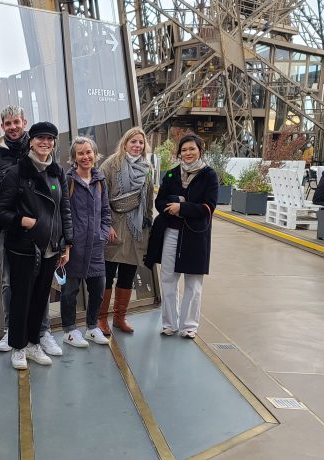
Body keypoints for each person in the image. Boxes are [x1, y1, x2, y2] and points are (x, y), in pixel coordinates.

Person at [0, 122, 73, 370]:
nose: (45, 143)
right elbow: (0, 212)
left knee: (40, 298)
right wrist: (22, 221)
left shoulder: (57, 172)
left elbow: (64, 210)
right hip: (24, 247)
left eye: (50, 139)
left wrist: (67, 243)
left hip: (50, 247)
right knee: (21, 299)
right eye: (40, 138)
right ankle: (18, 347)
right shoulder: (17, 172)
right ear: (31, 141)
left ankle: (33, 344)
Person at [0, 106, 61, 357]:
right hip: (11, 228)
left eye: (16, 122)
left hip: (39, 228)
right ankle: (11, 330)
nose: (13, 127)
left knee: (41, 283)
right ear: (2, 126)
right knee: (9, 281)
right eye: (8, 123)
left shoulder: (39, 146)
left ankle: (42, 330)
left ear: (24, 122)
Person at [145, 133, 218, 339]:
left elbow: (209, 207)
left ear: (200, 150)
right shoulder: (171, 174)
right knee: (168, 278)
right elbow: (159, 202)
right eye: (184, 149)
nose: (188, 153)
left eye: (192, 149)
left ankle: (189, 326)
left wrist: (182, 208)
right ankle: (169, 323)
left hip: (196, 236)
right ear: (179, 153)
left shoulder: (209, 175)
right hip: (171, 232)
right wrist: (171, 206)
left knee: (193, 282)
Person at [99, 127, 155, 336]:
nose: (137, 145)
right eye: (133, 141)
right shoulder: (110, 165)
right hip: (113, 227)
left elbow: (148, 199)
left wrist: (147, 224)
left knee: (128, 275)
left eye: (141, 142)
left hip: (135, 230)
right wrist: (106, 225)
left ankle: (119, 318)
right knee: (107, 275)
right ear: (125, 143)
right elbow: (100, 197)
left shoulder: (147, 168)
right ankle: (101, 318)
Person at [59, 137, 112, 348]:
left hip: (96, 246)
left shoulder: (100, 180)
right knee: (69, 291)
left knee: (98, 289)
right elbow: (62, 213)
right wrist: (66, 243)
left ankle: (91, 327)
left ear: (95, 154)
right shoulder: (68, 181)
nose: (85, 156)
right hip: (73, 247)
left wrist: (103, 233)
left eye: (88, 152)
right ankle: (69, 330)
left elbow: (105, 211)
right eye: (80, 153)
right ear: (74, 157)